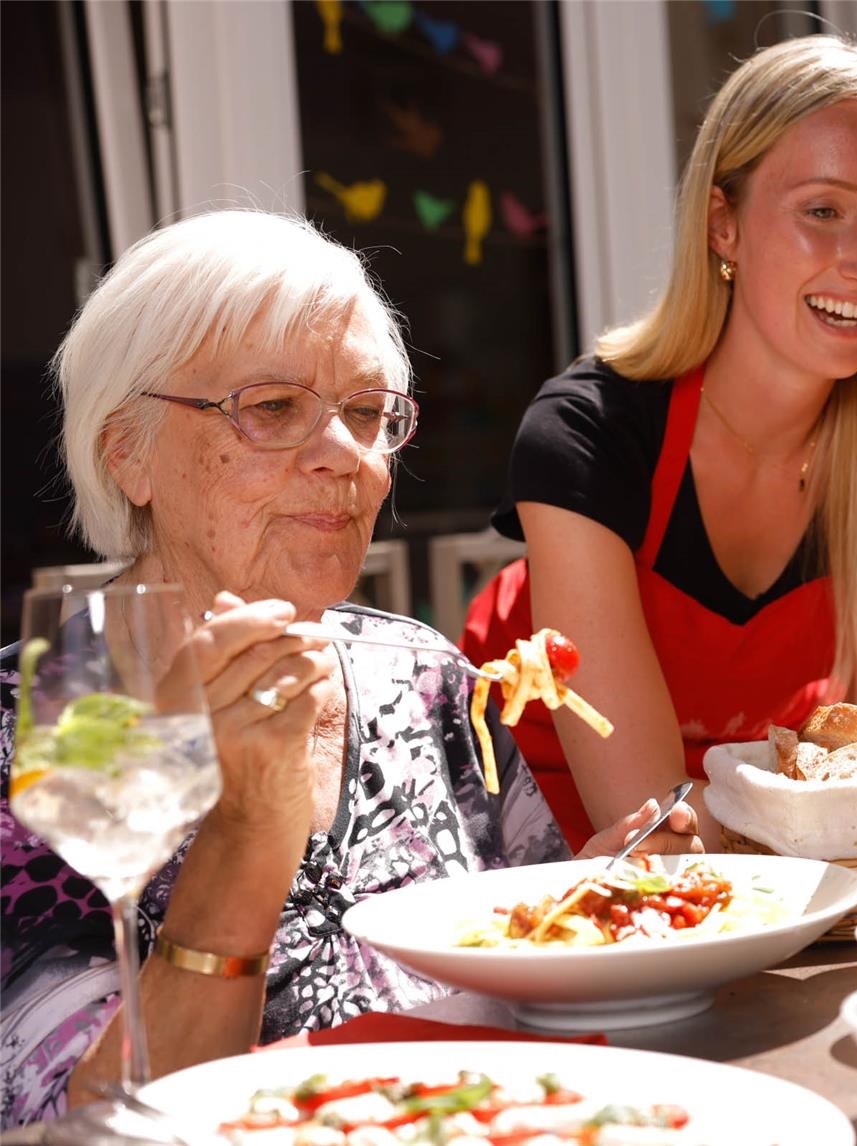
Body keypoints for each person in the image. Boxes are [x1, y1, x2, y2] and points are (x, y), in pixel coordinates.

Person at [0, 210, 698, 1128]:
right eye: (274, 408)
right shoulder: (34, 736)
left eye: (368, 414)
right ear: (125, 452)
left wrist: (592, 918)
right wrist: (251, 828)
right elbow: (81, 1124)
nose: (348, 457)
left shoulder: (427, 679)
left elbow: (532, 988)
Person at [474, 35, 857, 850]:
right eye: (823, 210)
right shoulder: (586, 436)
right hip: (553, 844)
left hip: (788, 853)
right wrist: (839, 823)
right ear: (724, 224)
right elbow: (655, 830)